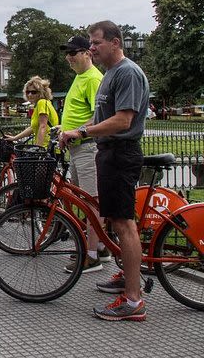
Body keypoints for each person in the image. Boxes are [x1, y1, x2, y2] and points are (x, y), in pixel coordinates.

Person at [59, 20, 150, 321]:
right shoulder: (111, 75)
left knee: (125, 224)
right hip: (108, 153)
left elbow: (124, 120)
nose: (92, 48)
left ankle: (134, 302)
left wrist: (82, 132)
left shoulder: (127, 73)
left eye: (96, 43)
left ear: (115, 42)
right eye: (90, 43)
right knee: (114, 218)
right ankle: (127, 277)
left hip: (121, 154)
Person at [57, 36, 107, 273]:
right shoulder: (80, 77)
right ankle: (101, 246)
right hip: (77, 147)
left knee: (91, 201)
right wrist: (64, 129)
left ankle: (92, 254)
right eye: (66, 53)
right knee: (84, 199)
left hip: (88, 147)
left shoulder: (93, 79)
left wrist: (76, 131)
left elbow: (100, 116)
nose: (68, 57)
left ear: (87, 53)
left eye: (73, 52)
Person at [6, 76, 59, 148]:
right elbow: (32, 128)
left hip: (47, 147)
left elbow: (43, 126)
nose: (30, 95)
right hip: (47, 146)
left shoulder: (42, 103)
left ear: (41, 92)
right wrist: (15, 138)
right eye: (28, 92)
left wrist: (38, 148)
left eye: (33, 92)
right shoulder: (40, 104)